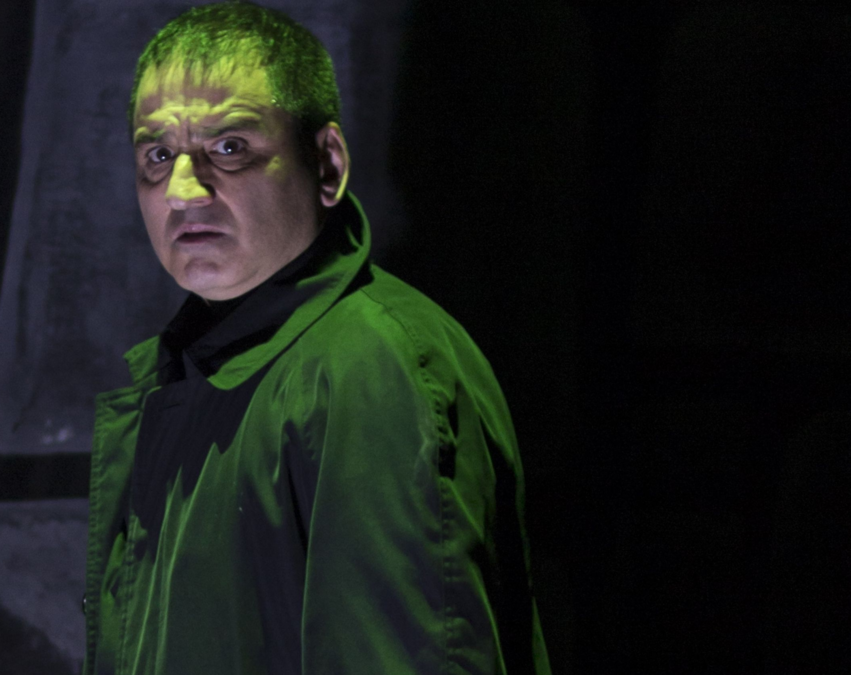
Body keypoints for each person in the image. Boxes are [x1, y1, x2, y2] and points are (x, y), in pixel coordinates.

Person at [83, 2, 551, 673]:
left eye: (229, 147)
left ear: (328, 164)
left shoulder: (372, 365)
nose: (183, 191)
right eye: (158, 154)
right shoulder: (207, 365)